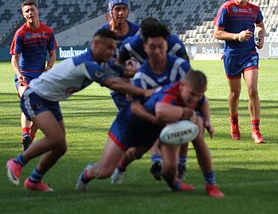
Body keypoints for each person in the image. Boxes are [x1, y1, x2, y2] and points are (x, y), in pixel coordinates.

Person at [6, 29, 153, 192]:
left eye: (114, 48)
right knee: (55, 138)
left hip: (51, 101)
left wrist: (144, 73)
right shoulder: (87, 64)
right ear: (95, 45)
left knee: (61, 146)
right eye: (109, 48)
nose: (112, 52)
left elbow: (122, 71)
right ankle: (17, 162)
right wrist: (145, 92)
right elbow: (113, 83)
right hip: (34, 96)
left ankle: (34, 180)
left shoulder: (100, 62)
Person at [76, 70, 224, 198]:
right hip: (128, 126)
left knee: (170, 170)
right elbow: (161, 111)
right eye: (192, 94)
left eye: (198, 95)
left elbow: (203, 102)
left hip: (154, 130)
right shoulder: (170, 93)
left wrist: (207, 121)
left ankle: (206, 184)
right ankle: (88, 172)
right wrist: (187, 112)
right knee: (105, 171)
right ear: (182, 86)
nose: (195, 99)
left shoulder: (193, 94)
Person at [110, 18, 194, 184]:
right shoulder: (132, 44)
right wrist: (128, 80)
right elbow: (118, 62)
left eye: (159, 45)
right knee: (139, 149)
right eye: (149, 44)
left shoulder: (175, 45)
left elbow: (188, 73)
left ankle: (179, 164)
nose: (155, 49)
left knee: (186, 123)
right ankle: (122, 165)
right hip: (146, 90)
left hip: (170, 88)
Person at [213, 0, 266, 144]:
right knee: (235, 93)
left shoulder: (254, 9)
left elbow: (260, 25)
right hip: (232, 56)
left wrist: (261, 37)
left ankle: (256, 130)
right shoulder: (227, 8)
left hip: (249, 54)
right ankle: (234, 123)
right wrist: (237, 36)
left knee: (253, 90)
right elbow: (217, 33)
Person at [10, 0, 57, 150]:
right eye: (27, 11)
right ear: (24, 15)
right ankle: (25, 134)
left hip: (41, 76)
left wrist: (49, 67)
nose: (30, 13)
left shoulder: (48, 31)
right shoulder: (20, 33)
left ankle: (30, 137)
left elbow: (53, 54)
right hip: (24, 75)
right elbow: (14, 59)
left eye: (32, 10)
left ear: (38, 11)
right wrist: (19, 74)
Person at [99, 0, 140, 111]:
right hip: (116, 82)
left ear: (128, 11)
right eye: (117, 9)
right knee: (129, 114)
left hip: (136, 79)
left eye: (124, 9)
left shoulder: (137, 31)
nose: (121, 12)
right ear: (111, 12)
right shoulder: (103, 33)